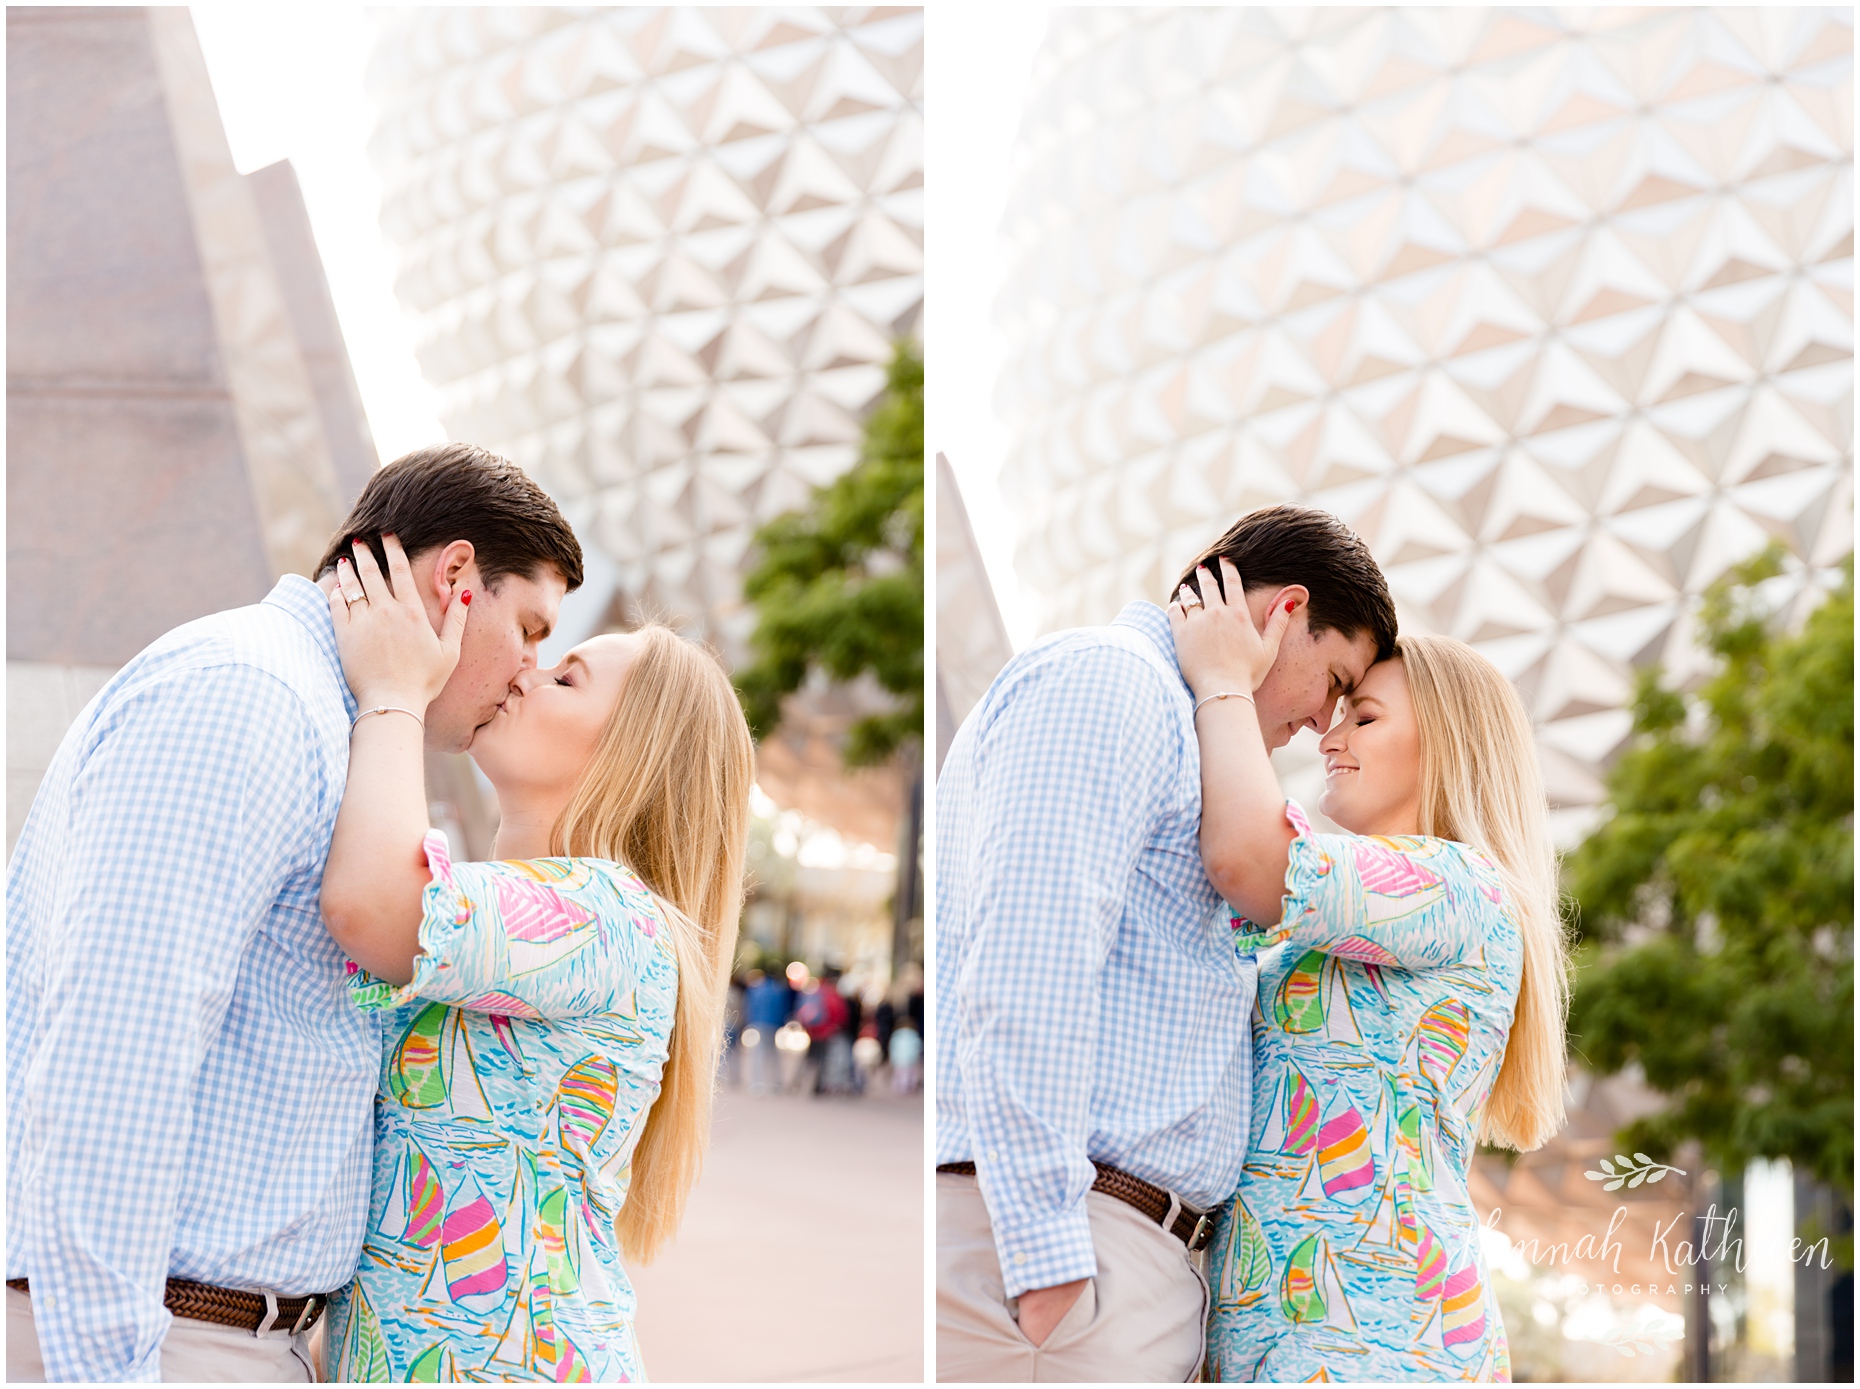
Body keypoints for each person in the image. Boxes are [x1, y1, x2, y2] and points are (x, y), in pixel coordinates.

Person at [6, 444, 582, 1382]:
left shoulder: (324, 716)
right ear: (456, 579)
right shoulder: (250, 696)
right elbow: (114, 1064)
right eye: (529, 627)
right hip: (163, 1335)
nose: (527, 669)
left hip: (229, 1335)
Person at [935, 506, 1398, 1382]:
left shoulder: (1164, 719)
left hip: (1116, 1268)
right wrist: (1050, 1272)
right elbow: (1030, 968)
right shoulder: (1111, 684)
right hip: (1068, 1272)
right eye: (1334, 680)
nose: (1318, 722)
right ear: (1286, 612)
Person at [318, 535, 753, 1380]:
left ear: (635, 752)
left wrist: (395, 692)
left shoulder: (611, 920)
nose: (524, 671)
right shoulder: (498, 911)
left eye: (565, 677)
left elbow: (368, 904)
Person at [1171, 561, 1568, 1382]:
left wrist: (1224, 683)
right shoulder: (1341, 914)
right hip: (1292, 1345)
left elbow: (1247, 855)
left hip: (1383, 1343)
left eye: (1366, 714)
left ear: (1445, 744)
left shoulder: (1462, 886)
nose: (1330, 734)